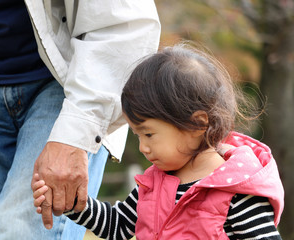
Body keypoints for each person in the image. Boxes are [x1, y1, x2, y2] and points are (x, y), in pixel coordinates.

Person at [0, 0, 161, 239]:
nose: (145, 147)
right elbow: (119, 226)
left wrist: (74, 136)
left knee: (18, 233)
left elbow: (124, 26)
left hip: (64, 87)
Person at [32, 42, 285, 239]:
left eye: (149, 134)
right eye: (138, 136)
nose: (143, 147)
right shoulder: (154, 183)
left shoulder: (237, 194)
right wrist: (72, 203)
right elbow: (117, 225)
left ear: (198, 124)